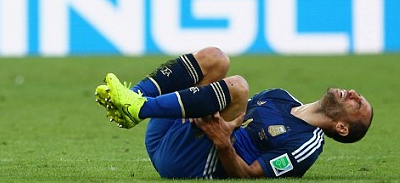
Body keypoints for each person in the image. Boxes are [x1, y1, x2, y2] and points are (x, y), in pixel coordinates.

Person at [95, 46, 374, 179]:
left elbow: (250, 174)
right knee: (216, 58)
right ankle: (136, 98)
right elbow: (220, 103)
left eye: (357, 103)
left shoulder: (306, 146)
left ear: (342, 128)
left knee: (238, 87)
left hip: (187, 162)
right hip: (167, 137)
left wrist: (223, 143)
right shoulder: (280, 96)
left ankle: (140, 108)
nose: (352, 93)